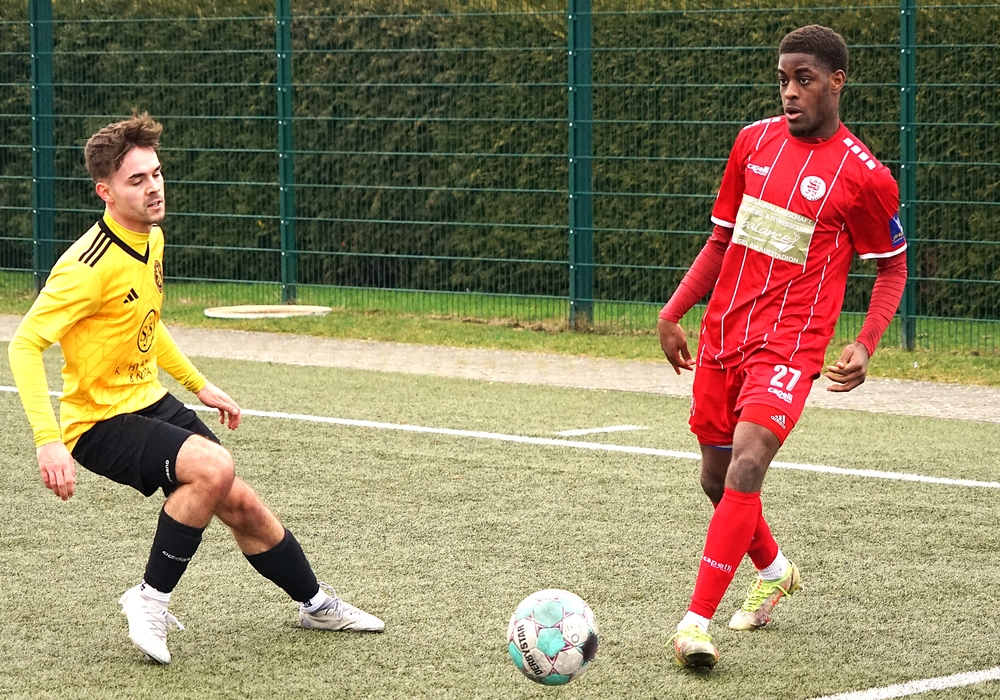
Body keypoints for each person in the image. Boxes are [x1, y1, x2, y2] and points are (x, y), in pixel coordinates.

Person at [7, 112, 384, 666]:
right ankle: (149, 599)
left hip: (148, 401)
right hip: (96, 423)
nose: (153, 187)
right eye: (137, 180)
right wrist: (47, 440)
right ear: (105, 192)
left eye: (156, 173)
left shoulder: (151, 238)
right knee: (213, 467)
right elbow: (24, 344)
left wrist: (198, 384)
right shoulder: (85, 267)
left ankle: (316, 604)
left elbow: (146, 322)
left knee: (240, 501)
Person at [658, 26, 907, 669]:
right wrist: (674, 311)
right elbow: (721, 241)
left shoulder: (865, 177)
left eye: (804, 79)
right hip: (723, 335)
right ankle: (773, 570)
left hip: (790, 348)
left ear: (836, 82)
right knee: (715, 478)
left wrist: (866, 342)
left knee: (747, 464)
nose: (790, 92)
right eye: (783, 80)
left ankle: (694, 624)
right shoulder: (752, 143)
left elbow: (892, 267)